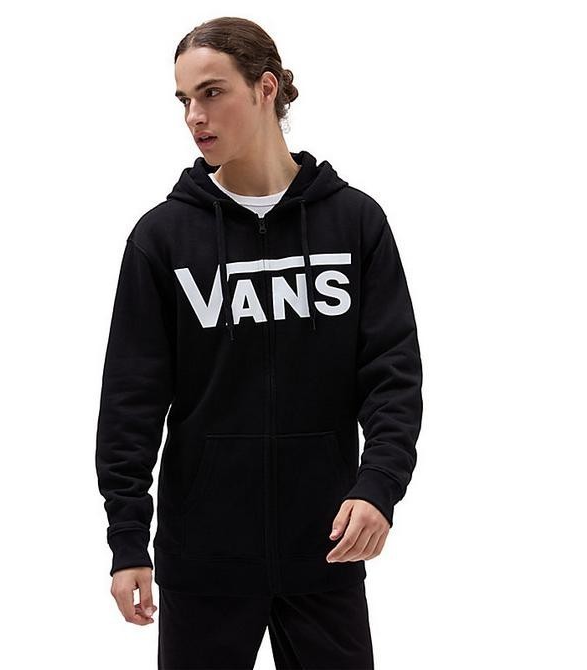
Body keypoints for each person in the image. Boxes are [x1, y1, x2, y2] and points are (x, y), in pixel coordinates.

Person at [95, 16, 423, 670]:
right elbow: (131, 402)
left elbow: (393, 376)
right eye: (184, 99)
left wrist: (379, 484)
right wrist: (128, 540)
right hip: (203, 562)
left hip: (326, 552)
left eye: (212, 92)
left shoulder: (354, 222)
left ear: (266, 88)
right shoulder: (163, 239)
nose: (194, 115)